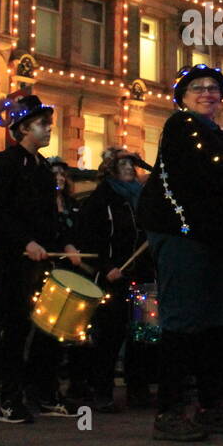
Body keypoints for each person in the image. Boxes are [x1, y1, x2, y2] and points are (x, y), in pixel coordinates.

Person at [137, 64, 223, 441]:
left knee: (215, 323)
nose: (207, 92)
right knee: (183, 321)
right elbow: (208, 173)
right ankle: (169, 412)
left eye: (214, 87)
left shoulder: (222, 138)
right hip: (183, 233)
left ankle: (210, 406)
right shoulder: (182, 126)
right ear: (181, 97)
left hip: (216, 240)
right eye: (197, 87)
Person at [0, 92, 86, 424]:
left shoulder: (44, 169)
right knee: (15, 331)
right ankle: (10, 399)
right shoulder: (5, 163)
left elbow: (52, 218)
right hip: (16, 261)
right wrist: (24, 242)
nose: (48, 130)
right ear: (24, 128)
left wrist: (66, 243)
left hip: (44, 261)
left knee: (50, 330)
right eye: (43, 124)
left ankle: (44, 393)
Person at [72, 149, 155, 411]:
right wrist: (106, 266)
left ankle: (138, 390)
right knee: (111, 335)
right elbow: (89, 238)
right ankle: (102, 390)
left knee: (142, 336)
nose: (130, 167)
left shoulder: (141, 198)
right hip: (112, 278)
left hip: (140, 276)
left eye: (132, 163)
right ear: (111, 168)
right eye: (123, 163)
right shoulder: (102, 199)